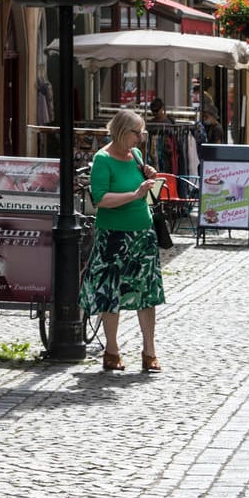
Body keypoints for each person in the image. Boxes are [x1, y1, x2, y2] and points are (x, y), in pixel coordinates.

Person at [84, 109, 167, 373]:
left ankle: (149, 351)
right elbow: (100, 199)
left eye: (142, 132)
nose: (141, 138)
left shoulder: (137, 156)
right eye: (137, 132)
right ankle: (111, 350)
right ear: (122, 132)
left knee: (147, 294)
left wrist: (148, 177)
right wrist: (134, 194)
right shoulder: (102, 159)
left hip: (142, 233)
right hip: (113, 236)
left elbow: (143, 188)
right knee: (110, 293)